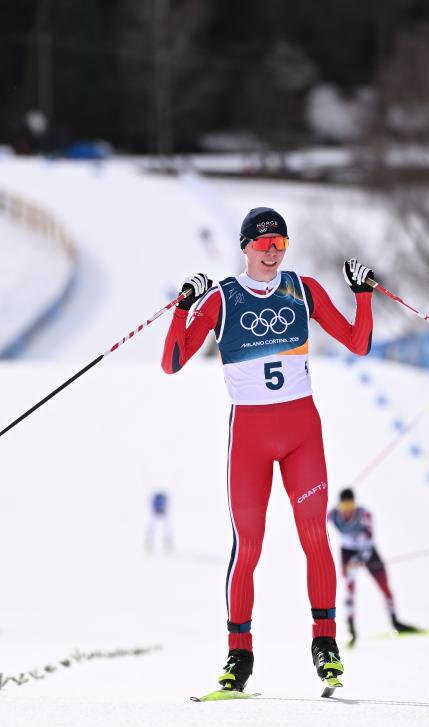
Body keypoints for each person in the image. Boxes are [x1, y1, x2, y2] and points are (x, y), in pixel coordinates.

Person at [162, 207, 375, 693]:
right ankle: (239, 655)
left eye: (281, 243)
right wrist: (182, 307)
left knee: (314, 537)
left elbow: (357, 343)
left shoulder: (303, 290)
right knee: (248, 546)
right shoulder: (222, 298)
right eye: (264, 244)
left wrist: (362, 295)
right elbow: (172, 361)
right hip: (250, 440)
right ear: (246, 247)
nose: (273, 252)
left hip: (302, 434)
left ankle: (326, 644)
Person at [329, 488, 417, 647]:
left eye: (350, 505)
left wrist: (360, 559)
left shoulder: (365, 514)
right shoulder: (333, 515)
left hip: (368, 551)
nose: (348, 509)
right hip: (347, 553)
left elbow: (369, 539)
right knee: (349, 590)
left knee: (384, 586)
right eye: (344, 506)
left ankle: (395, 622)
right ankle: (351, 630)